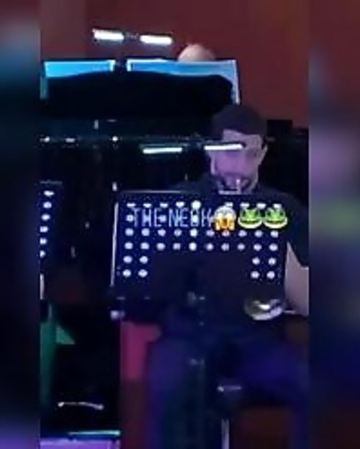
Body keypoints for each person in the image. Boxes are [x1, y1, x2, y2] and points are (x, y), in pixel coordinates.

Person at [145, 104, 309, 449]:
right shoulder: (178, 202)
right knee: (165, 385)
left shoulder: (284, 208)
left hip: (259, 338)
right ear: (211, 150)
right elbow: (149, 284)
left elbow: (309, 296)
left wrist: (287, 262)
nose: (242, 166)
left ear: (263, 154)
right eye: (233, 153)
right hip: (189, 333)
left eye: (252, 154)